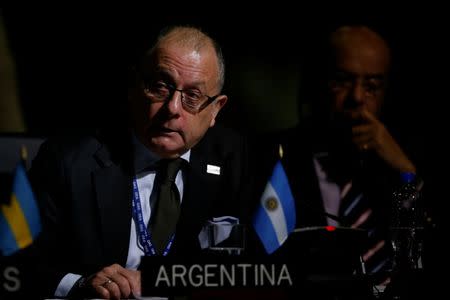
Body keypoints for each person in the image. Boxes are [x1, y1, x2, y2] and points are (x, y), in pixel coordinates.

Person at [28, 25, 250, 299]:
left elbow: (254, 268)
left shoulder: (236, 160)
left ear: (216, 109)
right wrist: (81, 285)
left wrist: (163, 281)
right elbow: (22, 264)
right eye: (160, 86)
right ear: (135, 86)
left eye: (192, 96)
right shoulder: (69, 161)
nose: (172, 108)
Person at [250, 24, 424, 291]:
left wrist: (405, 171)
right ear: (316, 83)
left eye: (372, 86)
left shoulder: (400, 165)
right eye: (342, 80)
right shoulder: (268, 157)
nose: (356, 97)